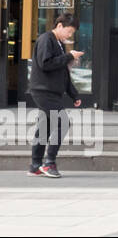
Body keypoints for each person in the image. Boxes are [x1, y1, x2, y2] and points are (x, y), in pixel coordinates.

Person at [26, 14, 84, 179]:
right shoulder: (46, 39)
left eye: (72, 32)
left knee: (45, 127)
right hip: (43, 91)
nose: (69, 35)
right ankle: (49, 162)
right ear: (59, 26)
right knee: (63, 122)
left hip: (50, 92)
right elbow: (46, 63)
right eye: (69, 31)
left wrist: (74, 95)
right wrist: (69, 56)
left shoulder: (58, 43)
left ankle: (35, 165)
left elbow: (63, 73)